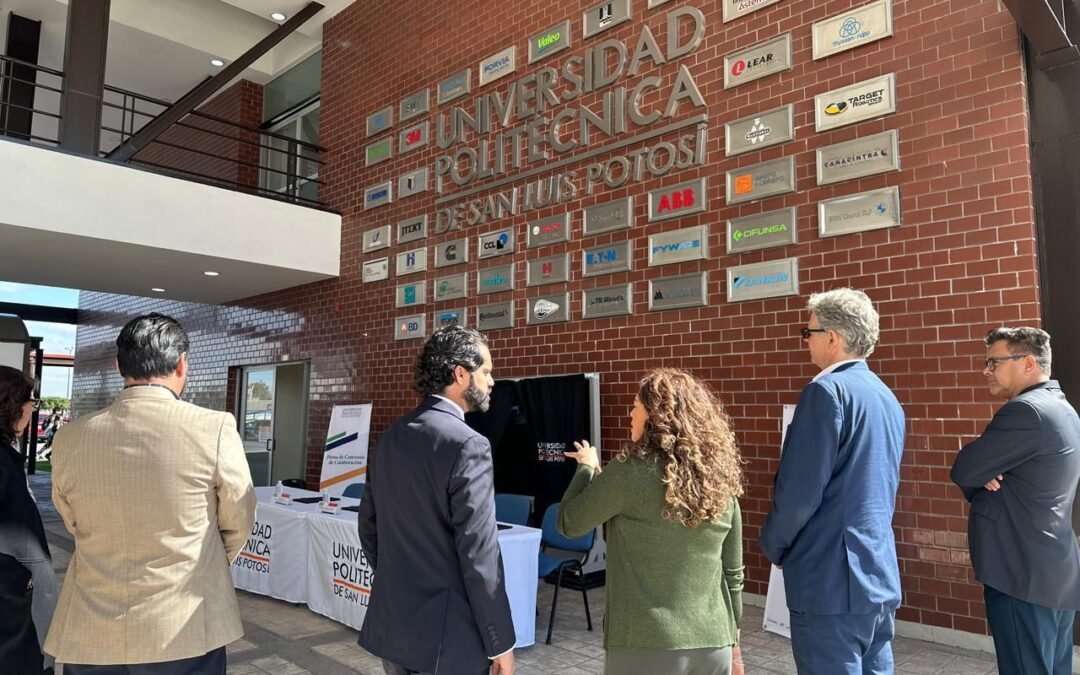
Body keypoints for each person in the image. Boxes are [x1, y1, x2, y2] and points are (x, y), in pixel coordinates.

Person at [44, 313, 256, 674]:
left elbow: (72, 519)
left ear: (118, 366)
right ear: (181, 364)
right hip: (183, 625)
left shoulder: (71, 437)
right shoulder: (214, 428)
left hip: (92, 626)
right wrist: (200, 559)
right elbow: (239, 518)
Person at [559, 368, 745, 675]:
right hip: (714, 644)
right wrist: (733, 641)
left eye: (635, 407)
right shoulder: (719, 480)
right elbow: (733, 572)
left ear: (655, 417)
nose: (630, 415)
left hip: (645, 643)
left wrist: (586, 468)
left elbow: (569, 522)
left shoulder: (629, 471)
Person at [759, 288, 906, 675]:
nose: (805, 341)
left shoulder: (825, 392)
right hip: (875, 573)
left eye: (808, 332)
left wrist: (773, 544)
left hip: (828, 581)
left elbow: (799, 492)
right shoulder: (886, 397)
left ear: (833, 338)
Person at [357, 325, 515, 675]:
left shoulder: (390, 437)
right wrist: (500, 641)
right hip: (447, 639)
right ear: (461, 374)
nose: (491, 382)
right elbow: (479, 554)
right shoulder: (469, 445)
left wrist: (398, 577)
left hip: (394, 624)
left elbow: (368, 524)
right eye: (486, 372)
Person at [950, 327, 1080, 675]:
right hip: (1052, 571)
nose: (986, 370)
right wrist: (983, 473)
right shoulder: (1062, 407)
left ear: (1027, 363)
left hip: (1020, 573)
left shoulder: (1025, 411)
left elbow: (964, 468)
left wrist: (980, 477)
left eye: (994, 361)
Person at [0, 366, 58, 675]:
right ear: (11, 404)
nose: (32, 409)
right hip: (10, 619)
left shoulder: (7, 455)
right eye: (31, 401)